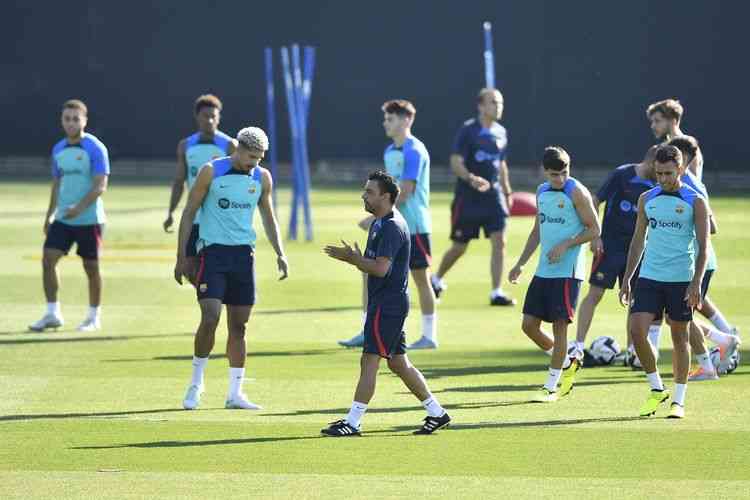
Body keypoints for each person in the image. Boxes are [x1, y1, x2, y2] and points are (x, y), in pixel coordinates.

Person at [322, 171, 450, 436]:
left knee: (369, 360)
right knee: (398, 363)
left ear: (386, 196)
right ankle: (437, 413)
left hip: (387, 306)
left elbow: (380, 269)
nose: (363, 195)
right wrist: (356, 259)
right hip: (387, 303)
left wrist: (353, 259)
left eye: (369, 191)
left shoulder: (392, 226)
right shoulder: (380, 222)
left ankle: (353, 422)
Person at [174, 126, 289, 410]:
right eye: (251, 156)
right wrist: (180, 257)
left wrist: (280, 253)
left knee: (239, 326)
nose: (255, 163)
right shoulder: (211, 171)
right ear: (237, 148)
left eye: (260, 158)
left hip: (243, 258)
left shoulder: (262, 177)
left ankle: (235, 394)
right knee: (211, 317)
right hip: (212, 254)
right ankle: (196, 382)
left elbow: (268, 217)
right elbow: (189, 213)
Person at [338, 100, 438, 349]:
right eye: (386, 119)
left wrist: (373, 217)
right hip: (389, 224)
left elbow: (404, 192)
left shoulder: (414, 151)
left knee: (419, 278)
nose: (386, 123)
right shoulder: (390, 151)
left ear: (406, 120)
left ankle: (429, 335)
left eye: (391, 119)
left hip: (413, 226)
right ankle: (366, 328)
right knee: (369, 270)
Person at [619, 145, 710, 419]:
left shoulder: (695, 201)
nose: (663, 179)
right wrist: (627, 278)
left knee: (679, 337)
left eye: (669, 173)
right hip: (649, 276)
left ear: (681, 170)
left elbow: (704, 247)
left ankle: (678, 401)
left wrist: (696, 283)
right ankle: (657, 388)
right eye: (659, 174)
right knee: (637, 331)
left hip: (680, 279)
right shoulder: (647, 199)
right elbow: (637, 241)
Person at [509, 147, 600, 402]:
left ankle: (551, 386)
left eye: (564, 173)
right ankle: (567, 359)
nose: (559, 179)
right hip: (543, 271)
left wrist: (566, 244)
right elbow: (537, 230)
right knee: (529, 325)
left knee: (560, 329)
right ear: (544, 172)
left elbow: (595, 229)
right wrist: (520, 263)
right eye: (553, 175)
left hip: (568, 273)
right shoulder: (541, 192)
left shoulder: (577, 192)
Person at [29, 99, 110, 333]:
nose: (71, 123)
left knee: (91, 267)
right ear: (62, 121)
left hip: (90, 220)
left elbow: (100, 185)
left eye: (76, 118)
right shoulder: (58, 149)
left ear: (85, 120)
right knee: (48, 260)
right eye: (67, 119)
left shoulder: (95, 148)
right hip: (63, 219)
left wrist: (80, 208)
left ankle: (94, 317)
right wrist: (49, 216)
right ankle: (52, 313)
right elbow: (57, 184)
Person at [431, 88, 515, 306]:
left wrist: (507, 191)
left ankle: (496, 291)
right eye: (494, 102)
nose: (498, 107)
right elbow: (455, 162)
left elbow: (502, 164)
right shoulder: (468, 131)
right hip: (468, 197)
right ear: (481, 106)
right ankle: (436, 279)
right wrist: (471, 178)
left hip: (494, 196)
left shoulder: (501, 132)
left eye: (501, 103)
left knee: (500, 241)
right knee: (460, 246)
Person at [665, 136, 740, 380]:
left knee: (678, 316)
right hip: (688, 261)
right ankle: (720, 343)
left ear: (685, 159)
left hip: (697, 261)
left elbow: (712, 226)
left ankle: (709, 363)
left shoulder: (690, 186)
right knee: (675, 316)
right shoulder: (683, 182)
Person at [575, 146, 657, 359]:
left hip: (637, 250)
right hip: (609, 247)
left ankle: (632, 350)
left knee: (634, 299)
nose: (660, 174)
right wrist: (595, 235)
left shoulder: (657, 183)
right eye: (657, 169)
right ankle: (578, 345)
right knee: (595, 294)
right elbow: (595, 200)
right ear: (649, 162)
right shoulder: (622, 175)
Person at [164, 94, 236, 271]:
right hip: (194, 217)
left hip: (219, 219)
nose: (210, 120)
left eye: (214, 116)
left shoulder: (229, 146)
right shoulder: (185, 145)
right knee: (189, 268)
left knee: (218, 268)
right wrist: (171, 212)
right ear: (197, 117)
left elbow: (237, 183)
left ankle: (215, 295)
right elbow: (179, 181)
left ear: (219, 117)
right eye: (206, 116)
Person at [647, 99, 704, 179]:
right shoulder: (661, 147)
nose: (652, 126)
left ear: (672, 120)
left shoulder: (688, 146)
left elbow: (693, 180)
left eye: (657, 121)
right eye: (652, 121)